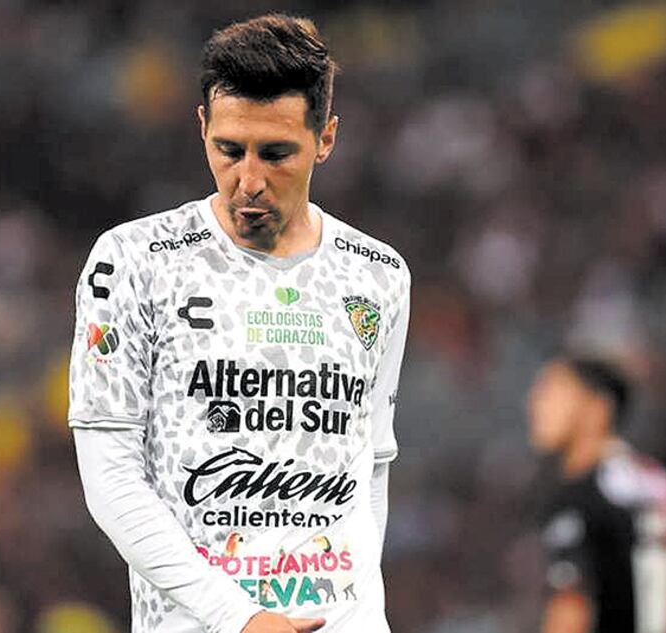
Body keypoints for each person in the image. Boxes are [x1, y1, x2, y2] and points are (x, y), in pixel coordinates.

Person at [69, 14, 411, 633]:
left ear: (326, 138)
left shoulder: (378, 275)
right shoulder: (134, 262)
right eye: (229, 150)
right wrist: (241, 617)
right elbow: (111, 480)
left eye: (276, 154)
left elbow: (371, 467)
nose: (249, 181)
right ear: (202, 126)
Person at [528, 355, 666, 633]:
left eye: (552, 391)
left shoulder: (586, 495)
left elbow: (571, 608)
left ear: (598, 408)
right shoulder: (655, 483)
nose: (535, 405)